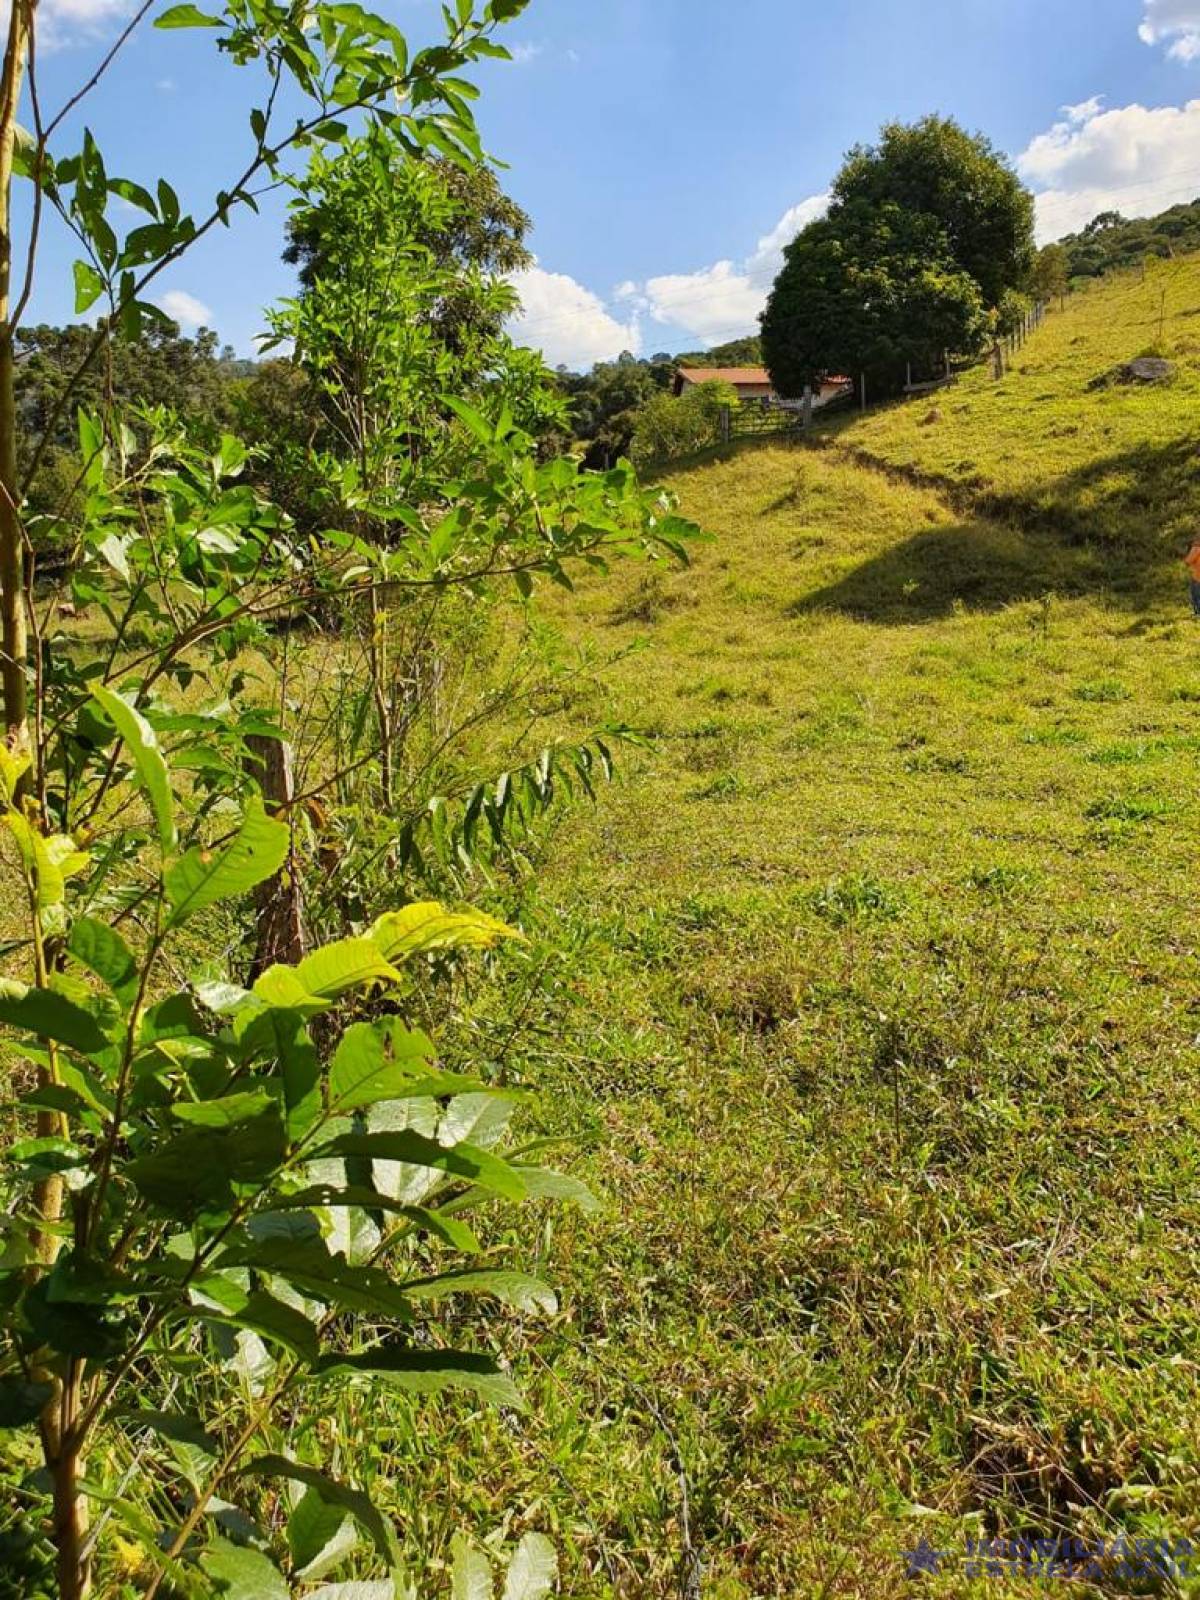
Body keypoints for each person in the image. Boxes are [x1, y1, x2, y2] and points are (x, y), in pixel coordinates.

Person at [1186, 536, 1200, 617]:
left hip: (1197, 576)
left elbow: (1188, 561)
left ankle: (1198, 613)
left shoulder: (1196, 549)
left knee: (1195, 595)